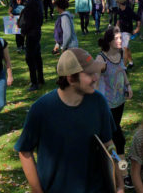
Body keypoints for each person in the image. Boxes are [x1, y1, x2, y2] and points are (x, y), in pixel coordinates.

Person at [15, 48, 123, 193]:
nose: (95, 78)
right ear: (71, 78)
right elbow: (25, 151)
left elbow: (109, 145)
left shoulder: (99, 102)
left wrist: (120, 185)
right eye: (89, 74)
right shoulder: (41, 109)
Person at [96, 28, 133, 186]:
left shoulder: (121, 54)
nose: (120, 41)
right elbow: (93, 80)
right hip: (107, 106)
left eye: (121, 38)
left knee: (113, 139)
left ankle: (118, 172)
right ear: (109, 40)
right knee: (117, 139)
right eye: (117, 38)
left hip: (119, 102)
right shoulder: (101, 58)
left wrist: (128, 86)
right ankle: (122, 174)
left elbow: (123, 71)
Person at [116, 0, 140, 68]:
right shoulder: (119, 10)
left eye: (117, 3)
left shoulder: (129, 10)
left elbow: (137, 18)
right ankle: (131, 62)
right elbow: (119, 19)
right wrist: (116, 28)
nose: (116, 4)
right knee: (126, 48)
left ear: (120, 3)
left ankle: (124, 67)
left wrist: (137, 28)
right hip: (121, 31)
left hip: (127, 31)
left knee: (124, 49)